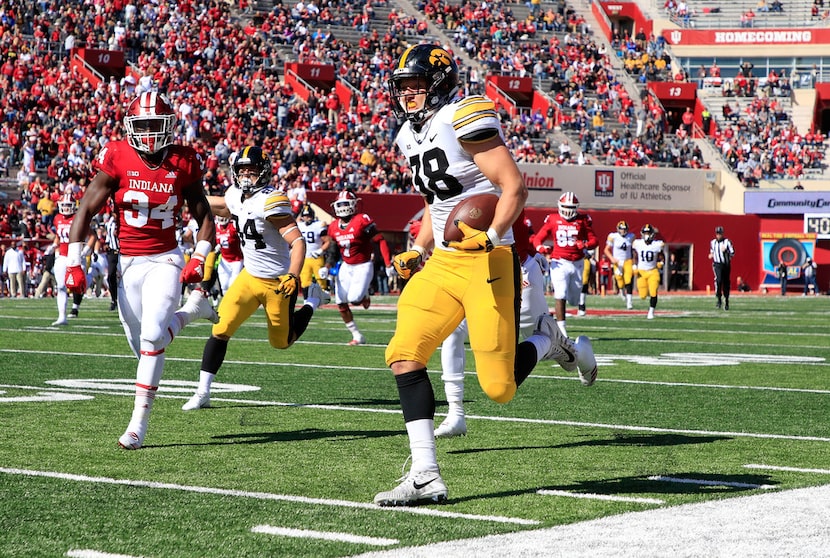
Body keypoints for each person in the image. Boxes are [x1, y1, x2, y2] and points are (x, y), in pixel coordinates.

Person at [377, 44, 597, 506]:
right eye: (403, 85)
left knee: (498, 389)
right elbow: (434, 204)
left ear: (439, 84)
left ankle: (548, 341)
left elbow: (512, 187)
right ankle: (424, 474)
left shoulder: (464, 115)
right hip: (443, 264)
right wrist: (418, 248)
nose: (407, 93)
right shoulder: (406, 136)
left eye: (416, 83)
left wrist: (493, 236)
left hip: (487, 260)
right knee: (403, 352)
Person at [65, 92, 219, 450]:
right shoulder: (116, 155)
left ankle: (138, 426)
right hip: (128, 263)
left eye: (156, 125)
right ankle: (191, 312)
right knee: (142, 346)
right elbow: (86, 209)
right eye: (144, 125)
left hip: (165, 258)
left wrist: (200, 255)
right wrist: (74, 261)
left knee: (152, 337)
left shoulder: (183, 160)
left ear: (169, 126)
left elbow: (203, 216)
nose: (150, 133)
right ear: (131, 127)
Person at [181, 146, 330, 411]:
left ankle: (312, 302)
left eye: (252, 170)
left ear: (264, 172)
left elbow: (297, 242)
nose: (247, 175)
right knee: (220, 329)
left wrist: (294, 276)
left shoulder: (271, 201)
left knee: (281, 343)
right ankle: (203, 392)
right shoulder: (235, 195)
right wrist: (186, 196)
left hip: (277, 282)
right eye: (242, 170)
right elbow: (225, 207)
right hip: (249, 277)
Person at [434, 212, 549, 438]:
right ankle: (455, 411)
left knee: (528, 348)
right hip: (472, 271)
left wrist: (527, 257)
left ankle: (561, 345)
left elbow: (514, 213)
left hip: (512, 270)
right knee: (453, 331)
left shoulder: (500, 187)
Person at [325, 190, 393, 345]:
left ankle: (364, 296)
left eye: (345, 203)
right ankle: (357, 335)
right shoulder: (334, 226)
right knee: (341, 302)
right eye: (340, 204)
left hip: (363, 265)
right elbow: (333, 251)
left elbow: (380, 240)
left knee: (354, 299)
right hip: (346, 266)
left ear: (354, 205)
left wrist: (388, 263)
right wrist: (327, 266)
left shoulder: (362, 220)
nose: (342, 207)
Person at [532, 193, 599, 336]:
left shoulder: (583, 220)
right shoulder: (553, 219)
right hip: (559, 262)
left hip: (577, 263)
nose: (568, 210)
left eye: (571, 207)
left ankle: (573, 307)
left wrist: (585, 244)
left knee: (574, 299)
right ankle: (562, 330)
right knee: (560, 293)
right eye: (566, 207)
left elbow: (595, 240)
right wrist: (541, 248)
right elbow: (537, 239)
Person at [50, 195, 96, 325]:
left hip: (75, 255)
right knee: (60, 286)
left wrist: (85, 251)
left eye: (68, 205)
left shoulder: (78, 218)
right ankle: (62, 316)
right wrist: (54, 246)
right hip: (62, 256)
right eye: (64, 205)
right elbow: (59, 237)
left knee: (78, 284)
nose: (65, 208)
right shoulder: (57, 218)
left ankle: (89, 278)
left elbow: (93, 236)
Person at [297, 203, 331, 296]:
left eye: (308, 216)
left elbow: (328, 241)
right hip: (304, 258)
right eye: (304, 216)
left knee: (321, 279)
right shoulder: (299, 225)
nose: (307, 218)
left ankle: (324, 298)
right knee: (305, 280)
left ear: (312, 216)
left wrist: (320, 250)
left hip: (317, 257)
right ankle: (307, 300)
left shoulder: (318, 225)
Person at [632, 224, 665, 320]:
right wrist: (634, 265)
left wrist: (661, 263)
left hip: (653, 271)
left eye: (648, 233)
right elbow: (634, 255)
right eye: (645, 233)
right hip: (641, 272)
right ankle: (649, 306)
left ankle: (651, 311)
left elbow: (662, 256)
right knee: (642, 295)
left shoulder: (657, 244)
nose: (646, 235)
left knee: (653, 292)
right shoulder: (638, 243)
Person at [603, 220, 635, 310]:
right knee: (619, 281)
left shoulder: (631, 236)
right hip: (617, 261)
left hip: (627, 261)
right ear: (618, 229)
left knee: (628, 280)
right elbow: (606, 250)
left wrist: (634, 261)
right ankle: (621, 291)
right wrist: (612, 258)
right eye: (621, 229)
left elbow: (634, 248)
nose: (623, 231)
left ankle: (629, 302)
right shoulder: (613, 236)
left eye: (625, 229)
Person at [212, 213, 245, 298]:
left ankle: (235, 302)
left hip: (236, 260)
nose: (222, 218)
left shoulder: (233, 226)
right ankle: (225, 304)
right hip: (224, 260)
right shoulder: (215, 227)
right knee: (224, 285)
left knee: (232, 285)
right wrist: (215, 246)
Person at [709, 226, 734, 310]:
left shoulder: (727, 242)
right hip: (717, 264)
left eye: (720, 234)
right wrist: (711, 255)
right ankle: (719, 299)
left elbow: (733, 253)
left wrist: (726, 251)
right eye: (717, 234)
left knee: (726, 283)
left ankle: (726, 300)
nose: (718, 235)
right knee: (719, 281)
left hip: (726, 264)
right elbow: (712, 251)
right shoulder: (713, 243)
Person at [104, 212, 120, 311]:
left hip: (123, 252)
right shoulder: (110, 220)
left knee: (124, 277)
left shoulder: (123, 219)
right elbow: (108, 233)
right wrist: (107, 242)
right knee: (110, 276)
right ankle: (114, 299)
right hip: (112, 252)